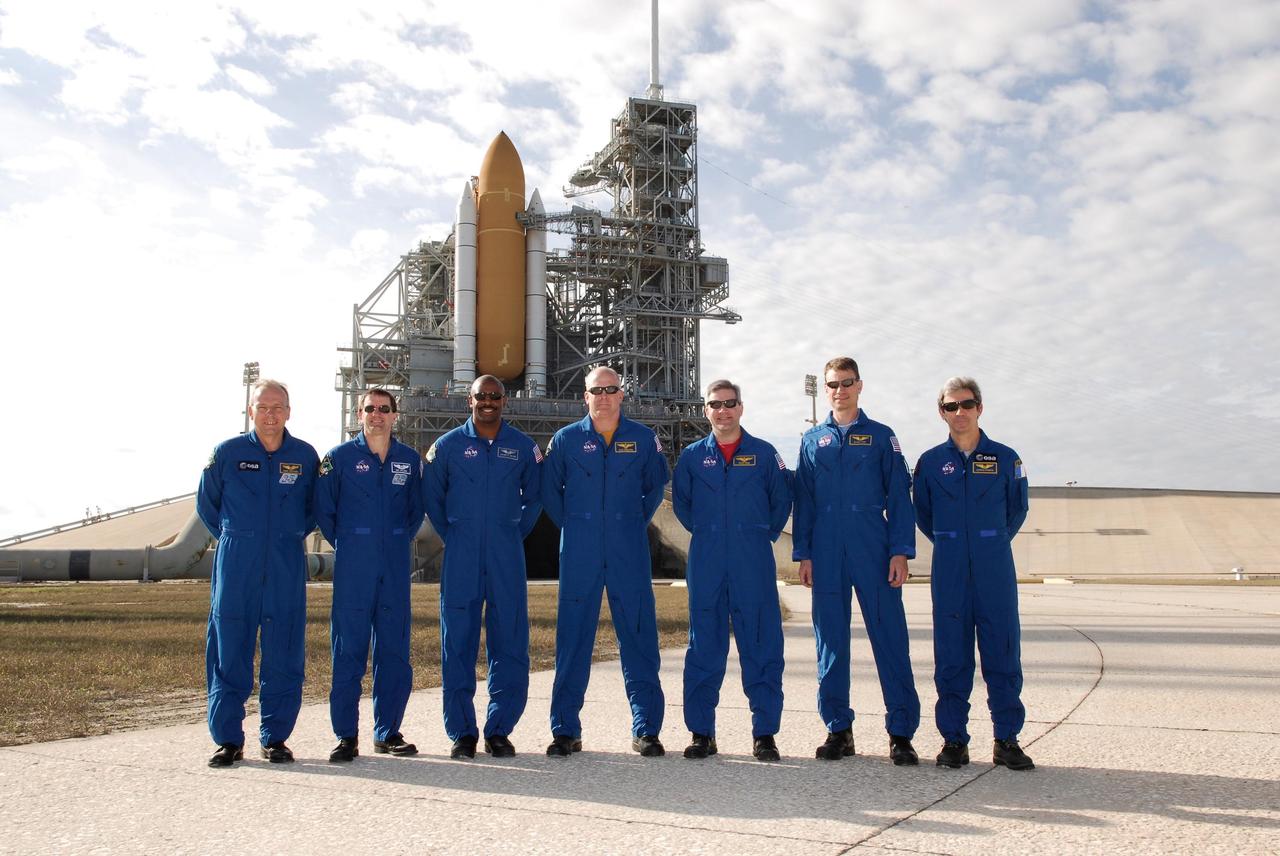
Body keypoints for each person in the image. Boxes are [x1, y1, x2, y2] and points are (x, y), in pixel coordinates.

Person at [793, 356, 921, 764]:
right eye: (833, 384)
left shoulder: (882, 437)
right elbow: (805, 502)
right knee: (829, 641)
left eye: (846, 383)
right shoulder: (812, 440)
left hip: (873, 543)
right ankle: (838, 729)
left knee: (890, 638)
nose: (839, 390)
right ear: (825, 388)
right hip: (827, 549)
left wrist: (900, 549)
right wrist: (804, 553)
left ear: (860, 386)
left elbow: (900, 496)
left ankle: (900, 732)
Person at [541, 366, 670, 757]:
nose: (603, 396)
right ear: (585, 396)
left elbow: (653, 489)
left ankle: (646, 728)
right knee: (573, 638)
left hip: (627, 548)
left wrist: (628, 523)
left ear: (621, 395)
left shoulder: (644, 439)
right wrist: (581, 527)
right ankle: (565, 729)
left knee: (638, 635)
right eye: (596, 390)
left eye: (611, 389)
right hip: (580, 549)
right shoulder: (565, 440)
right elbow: (551, 495)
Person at [912, 377, 1034, 771]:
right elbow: (924, 515)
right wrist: (953, 543)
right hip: (949, 566)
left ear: (980, 407)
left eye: (966, 405)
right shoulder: (930, 463)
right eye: (951, 407)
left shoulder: (1005, 458)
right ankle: (953, 740)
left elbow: (1017, 509)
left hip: (993, 564)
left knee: (1002, 648)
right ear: (941, 412)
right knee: (951, 653)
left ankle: (1007, 739)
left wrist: (988, 542)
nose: (959, 413)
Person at [197, 379, 319, 768]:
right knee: (229, 646)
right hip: (238, 561)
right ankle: (228, 739)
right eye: (263, 407)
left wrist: (284, 536)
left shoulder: (304, 456)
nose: (270, 414)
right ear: (250, 411)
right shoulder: (228, 453)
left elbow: (314, 507)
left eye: (278, 407)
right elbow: (207, 504)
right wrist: (239, 537)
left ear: (289, 411)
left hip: (285, 559)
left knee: (283, 648)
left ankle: (275, 737)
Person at [423, 375, 543, 759]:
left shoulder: (523, 447)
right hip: (461, 553)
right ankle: (461, 732)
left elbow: (535, 498)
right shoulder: (446, 447)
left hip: (506, 553)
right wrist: (458, 532)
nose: (488, 402)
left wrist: (509, 532)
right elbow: (433, 499)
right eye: (481, 397)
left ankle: (499, 729)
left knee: (509, 640)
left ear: (505, 401)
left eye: (495, 396)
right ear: (468, 402)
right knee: (456, 641)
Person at [672, 380, 792, 762]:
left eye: (729, 403)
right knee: (704, 647)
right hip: (707, 561)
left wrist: (757, 535)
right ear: (705, 410)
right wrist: (711, 534)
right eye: (714, 404)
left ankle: (765, 734)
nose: (722, 411)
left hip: (752, 561)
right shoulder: (692, 457)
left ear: (741, 407)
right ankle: (701, 732)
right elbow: (683, 506)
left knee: (761, 644)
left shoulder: (764, 453)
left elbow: (781, 500)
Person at [316, 388, 424, 763]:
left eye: (384, 409)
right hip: (354, 565)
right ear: (359, 415)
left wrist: (391, 541)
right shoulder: (338, 459)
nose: (376, 415)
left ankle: (388, 731)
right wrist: (351, 542)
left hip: (394, 563)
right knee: (348, 649)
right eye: (369, 409)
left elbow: (415, 512)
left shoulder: (409, 460)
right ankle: (346, 735)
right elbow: (325, 511)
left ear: (395, 415)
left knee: (394, 650)